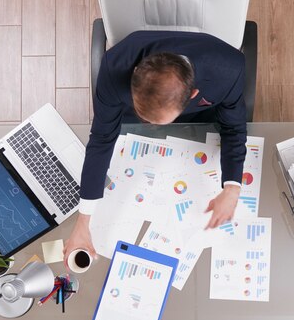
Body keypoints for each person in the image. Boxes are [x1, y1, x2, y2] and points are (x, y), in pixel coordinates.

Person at [64, 30, 247, 262]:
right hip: (129, 120)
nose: (153, 126)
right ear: (136, 74)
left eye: (156, 122)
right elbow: (101, 138)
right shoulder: (114, 67)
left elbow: (234, 129)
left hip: (198, 122)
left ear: (193, 94)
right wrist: (83, 221)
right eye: (149, 118)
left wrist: (232, 188)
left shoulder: (228, 68)